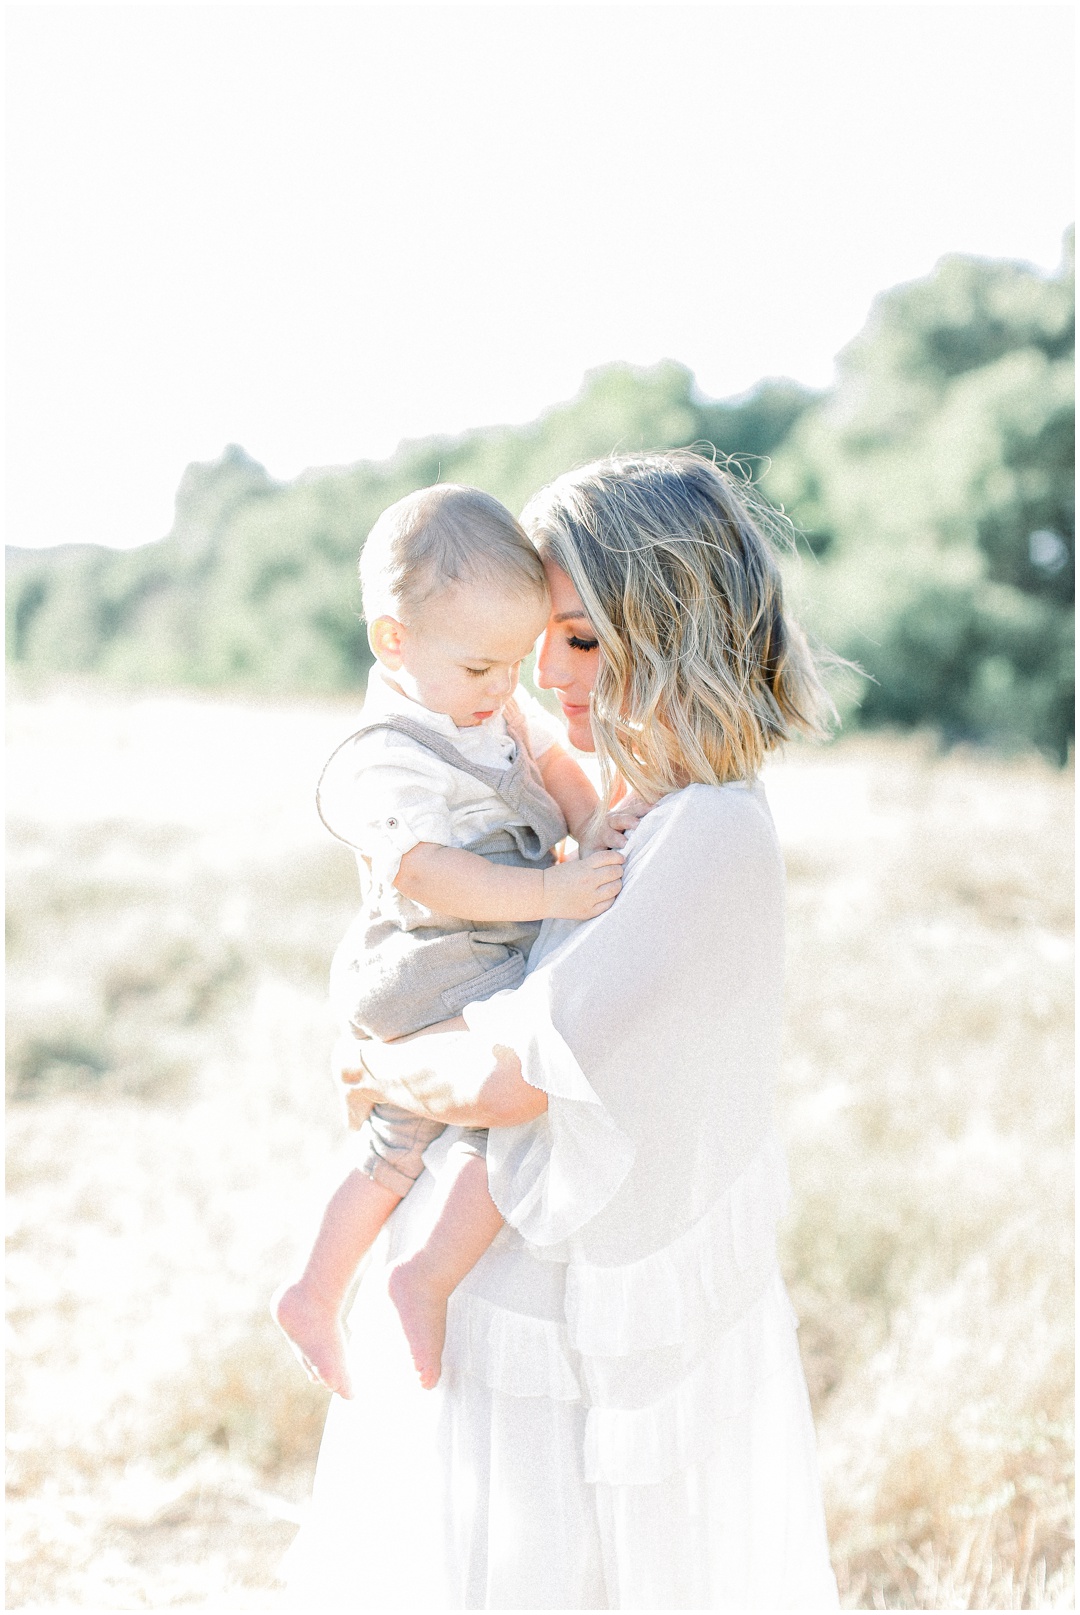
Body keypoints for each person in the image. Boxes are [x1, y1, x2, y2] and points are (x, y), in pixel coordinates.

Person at [284, 451, 841, 1610]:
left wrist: (374, 1059)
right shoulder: (648, 812)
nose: (546, 671)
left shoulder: (710, 832)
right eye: (548, 634)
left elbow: (507, 1076)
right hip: (528, 1327)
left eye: (582, 639)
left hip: (577, 1348)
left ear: (672, 622)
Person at [272, 484, 631, 1400]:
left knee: (483, 1116)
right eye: (480, 670)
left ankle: (393, 1275)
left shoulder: (486, 698)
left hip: (496, 944)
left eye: (513, 666)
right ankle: (345, 1284)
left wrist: (589, 821)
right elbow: (426, 872)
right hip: (431, 962)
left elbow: (551, 758)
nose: (503, 691)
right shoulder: (378, 756)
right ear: (395, 640)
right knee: (438, 1122)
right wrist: (553, 886)